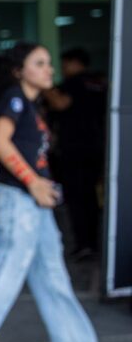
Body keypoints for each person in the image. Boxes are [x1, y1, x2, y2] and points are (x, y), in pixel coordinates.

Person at [0, 43, 127, 342]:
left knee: (54, 281)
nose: (50, 69)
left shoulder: (31, 104)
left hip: (35, 205)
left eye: (49, 63)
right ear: (20, 70)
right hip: (19, 202)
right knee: (2, 281)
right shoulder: (15, 98)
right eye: (40, 63)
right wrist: (33, 181)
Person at [42, 47, 107, 258]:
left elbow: (60, 104)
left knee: (77, 199)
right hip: (96, 147)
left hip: (75, 149)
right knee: (91, 198)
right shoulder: (98, 83)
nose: (61, 69)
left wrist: (44, 86)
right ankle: (94, 244)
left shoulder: (74, 82)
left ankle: (84, 245)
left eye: (64, 64)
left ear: (74, 63)